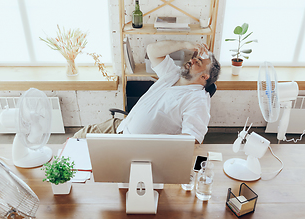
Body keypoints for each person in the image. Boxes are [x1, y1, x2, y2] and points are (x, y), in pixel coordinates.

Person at [73, 40, 221, 143]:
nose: (192, 60)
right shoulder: (174, 73)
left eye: (198, 62)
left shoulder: (198, 99)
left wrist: (152, 148)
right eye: (195, 58)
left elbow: (191, 138)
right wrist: (185, 44)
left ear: (204, 76)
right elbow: (152, 50)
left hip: (135, 146)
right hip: (121, 127)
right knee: (79, 137)